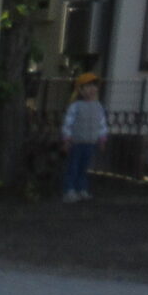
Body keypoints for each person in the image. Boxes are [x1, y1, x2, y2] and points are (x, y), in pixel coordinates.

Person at [61, 72, 108, 202]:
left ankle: (81, 189)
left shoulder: (98, 106)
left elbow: (102, 124)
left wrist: (102, 138)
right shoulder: (75, 106)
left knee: (84, 168)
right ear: (80, 90)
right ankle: (69, 190)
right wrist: (66, 139)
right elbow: (68, 123)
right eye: (88, 86)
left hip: (90, 142)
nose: (92, 89)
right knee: (73, 167)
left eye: (94, 86)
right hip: (76, 142)